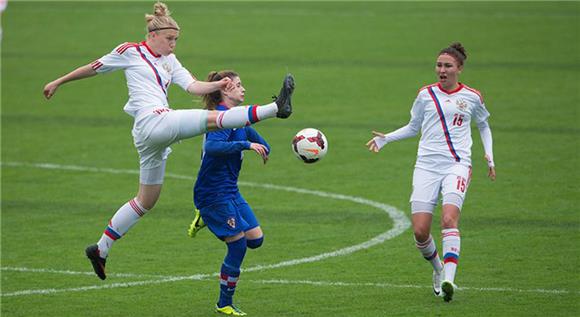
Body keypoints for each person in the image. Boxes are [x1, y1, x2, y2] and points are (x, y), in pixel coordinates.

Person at [42, 2, 294, 281]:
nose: (173, 45)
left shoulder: (170, 61)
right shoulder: (130, 51)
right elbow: (93, 67)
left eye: (176, 40)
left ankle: (100, 249)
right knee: (212, 119)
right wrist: (58, 81)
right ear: (152, 36)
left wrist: (217, 85)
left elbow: (193, 86)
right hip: (153, 121)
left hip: (152, 137)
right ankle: (275, 108)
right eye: (169, 39)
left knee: (146, 200)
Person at [366, 42, 495, 302]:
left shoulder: (472, 96)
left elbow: (483, 125)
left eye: (448, 65)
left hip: (457, 165)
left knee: (449, 219)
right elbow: (414, 127)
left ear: (459, 68)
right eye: (439, 65)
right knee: (420, 231)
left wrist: (489, 155)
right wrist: (386, 139)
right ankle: (437, 270)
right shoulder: (425, 94)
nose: (442, 70)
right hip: (426, 166)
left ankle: (449, 278)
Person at [188, 70, 270, 316]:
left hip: (230, 191)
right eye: (238, 85)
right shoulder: (219, 118)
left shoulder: (238, 119)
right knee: (238, 247)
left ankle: (204, 218)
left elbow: (263, 144)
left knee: (256, 240)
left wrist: (299, 145)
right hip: (212, 194)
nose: (243, 89)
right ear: (224, 89)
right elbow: (212, 146)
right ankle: (224, 303)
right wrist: (246, 145)